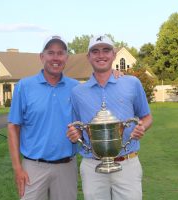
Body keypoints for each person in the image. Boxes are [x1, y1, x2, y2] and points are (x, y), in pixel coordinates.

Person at [67, 35, 153, 200]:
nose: (101, 55)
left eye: (106, 50)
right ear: (88, 57)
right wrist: (74, 135)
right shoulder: (78, 92)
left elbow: (147, 117)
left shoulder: (132, 83)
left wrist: (141, 127)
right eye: (95, 51)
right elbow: (76, 127)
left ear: (114, 54)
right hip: (93, 166)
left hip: (127, 163)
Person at [8, 35, 79, 200]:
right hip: (33, 167)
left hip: (66, 167)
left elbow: (85, 123)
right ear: (42, 57)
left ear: (66, 58)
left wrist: (115, 73)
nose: (56, 58)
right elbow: (13, 127)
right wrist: (17, 168)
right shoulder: (24, 87)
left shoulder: (76, 88)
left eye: (60, 53)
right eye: (50, 53)